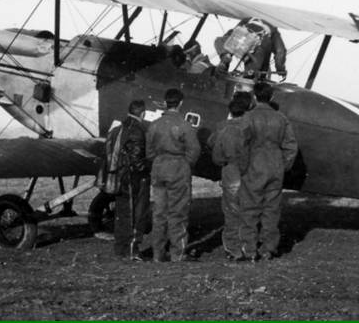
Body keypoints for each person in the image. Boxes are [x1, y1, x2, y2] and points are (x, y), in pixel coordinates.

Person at [238, 83, 297, 261]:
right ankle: (268, 249)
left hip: (254, 167)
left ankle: (249, 249)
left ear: (254, 97)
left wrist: (243, 167)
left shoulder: (248, 117)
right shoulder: (281, 118)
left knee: (250, 209)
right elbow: (291, 146)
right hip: (275, 167)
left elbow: (241, 145)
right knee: (271, 210)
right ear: (271, 97)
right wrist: (283, 165)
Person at [146, 88, 201, 262]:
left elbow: (149, 152)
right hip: (178, 169)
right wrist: (185, 164)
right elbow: (194, 150)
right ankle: (178, 253)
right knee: (178, 212)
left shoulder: (154, 125)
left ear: (165, 102)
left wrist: (159, 161)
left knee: (159, 213)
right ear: (180, 103)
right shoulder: (185, 125)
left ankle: (158, 254)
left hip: (158, 168)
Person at [208, 92, 253, 260]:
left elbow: (215, 153)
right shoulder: (251, 128)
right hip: (249, 173)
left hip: (230, 172)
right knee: (248, 212)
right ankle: (249, 249)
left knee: (231, 212)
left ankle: (233, 251)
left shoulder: (222, 127)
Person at [104, 100, 152, 260]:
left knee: (122, 213)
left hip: (118, 176)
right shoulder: (137, 131)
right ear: (143, 114)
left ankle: (120, 249)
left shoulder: (117, 129)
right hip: (133, 179)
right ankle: (132, 251)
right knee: (136, 214)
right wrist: (152, 162)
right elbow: (138, 163)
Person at [214, 18, 288, 80]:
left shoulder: (247, 19)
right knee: (253, 73)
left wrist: (225, 52)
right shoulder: (274, 31)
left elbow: (232, 33)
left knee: (228, 43)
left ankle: (226, 56)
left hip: (241, 40)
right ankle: (249, 80)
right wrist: (281, 70)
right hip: (258, 47)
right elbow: (280, 52)